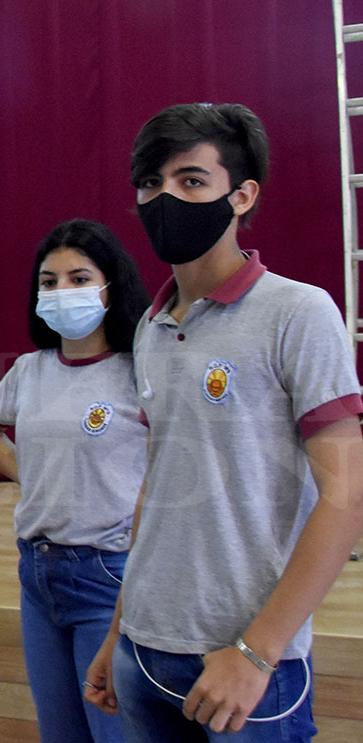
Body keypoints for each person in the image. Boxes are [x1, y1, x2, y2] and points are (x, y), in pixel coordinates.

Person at [84, 103, 363, 742]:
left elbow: (347, 494)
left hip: (243, 668)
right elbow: (159, 488)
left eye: (191, 181)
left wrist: (256, 653)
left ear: (241, 195)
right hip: (142, 651)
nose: (164, 198)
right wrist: (119, 630)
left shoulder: (298, 312)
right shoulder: (150, 328)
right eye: (150, 183)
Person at [0, 218, 151, 743]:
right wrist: (34, 476)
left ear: (111, 286)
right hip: (37, 574)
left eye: (79, 278)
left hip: (108, 575)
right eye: (49, 282)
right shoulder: (31, 369)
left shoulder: (140, 370)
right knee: (60, 732)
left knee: (112, 731)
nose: (62, 291)